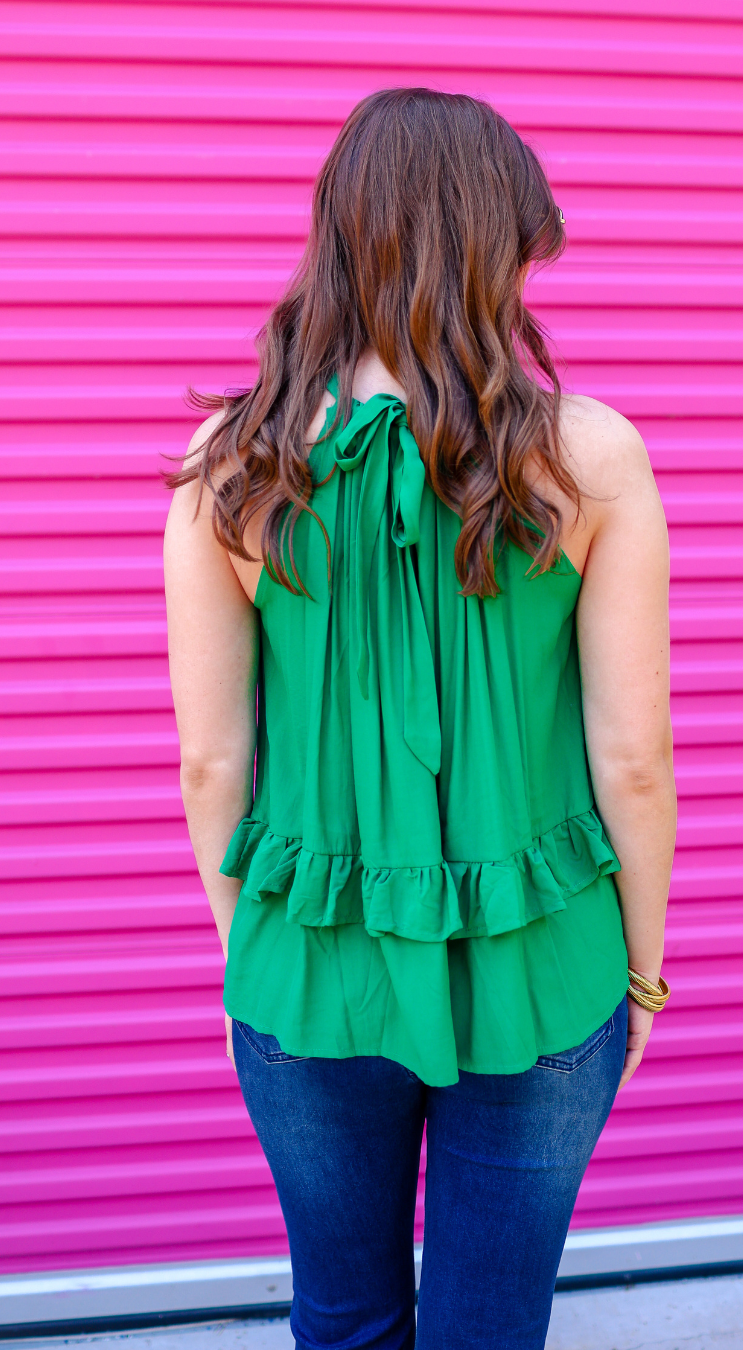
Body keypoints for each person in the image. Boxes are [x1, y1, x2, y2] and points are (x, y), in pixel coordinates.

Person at [164, 87, 675, 1350]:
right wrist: (646, 976)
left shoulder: (230, 466)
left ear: (335, 235)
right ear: (500, 243)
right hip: (541, 964)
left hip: (311, 963)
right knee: (490, 1329)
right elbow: (634, 760)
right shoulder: (590, 456)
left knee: (341, 1320)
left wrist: (257, 950)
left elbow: (209, 762)